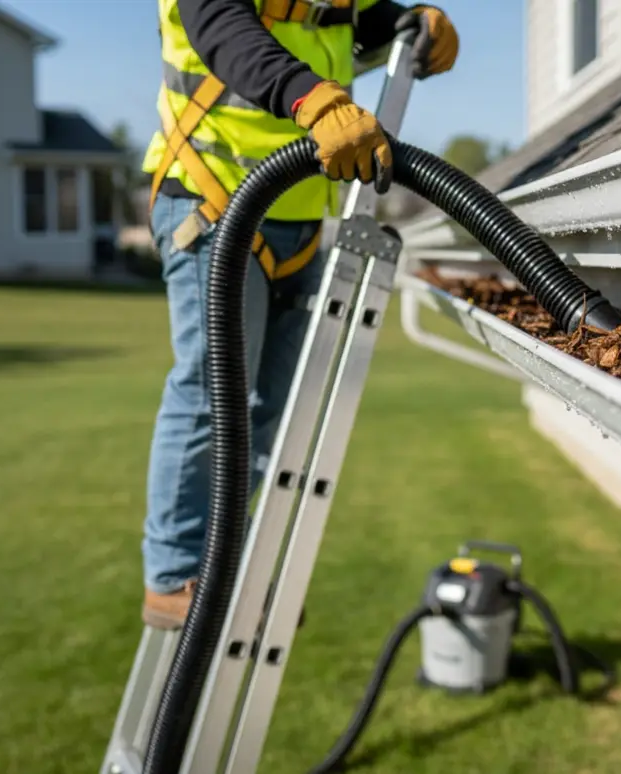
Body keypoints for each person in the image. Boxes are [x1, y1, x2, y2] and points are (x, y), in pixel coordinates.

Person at [140, 0, 459, 629]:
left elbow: (347, 23)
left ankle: (223, 557)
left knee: (270, 411)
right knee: (211, 392)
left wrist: (412, 21)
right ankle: (175, 573)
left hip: (298, 212)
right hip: (212, 195)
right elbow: (224, 29)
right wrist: (312, 98)